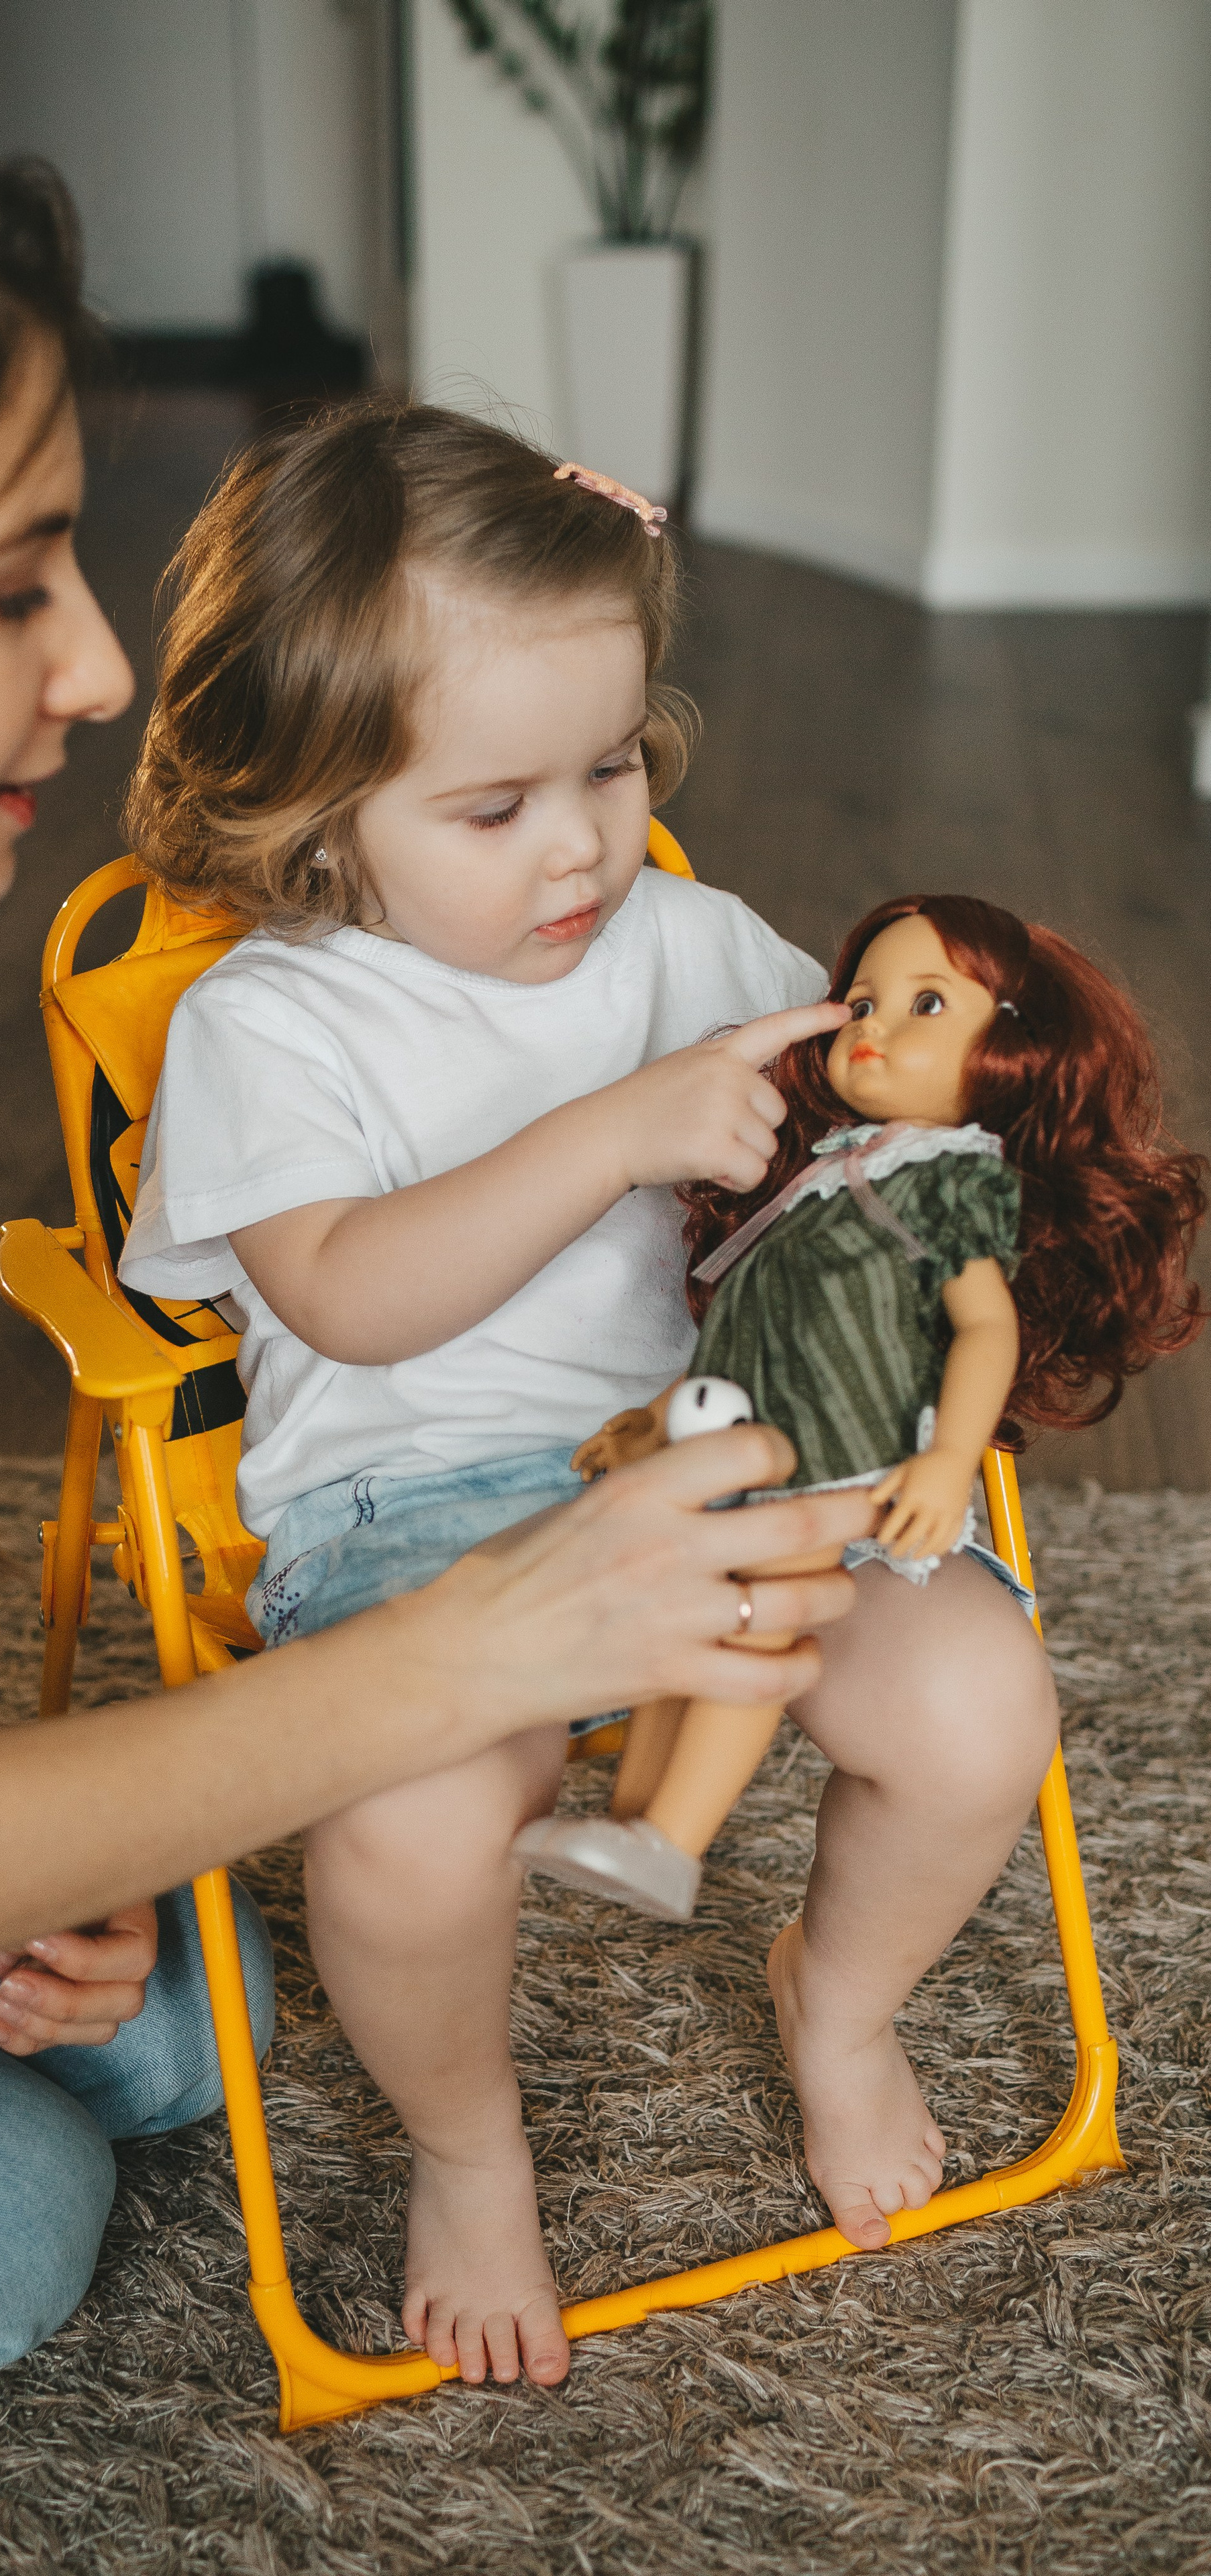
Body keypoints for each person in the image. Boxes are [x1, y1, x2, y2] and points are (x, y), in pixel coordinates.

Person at [0, 98, 865, 2434]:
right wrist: (486, 1644)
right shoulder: (264, 1026)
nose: (103, 669)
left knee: (169, 2014)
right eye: (14, 583)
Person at [119, 404, 1063, 2392]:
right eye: (493, 808)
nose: (580, 845)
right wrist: (615, 1131)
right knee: (402, 1828)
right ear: (315, 812)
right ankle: (470, 2153)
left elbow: (867, 1135)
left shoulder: (690, 940)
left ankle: (838, 2000)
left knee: (978, 1699)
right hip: (414, 1508)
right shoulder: (269, 1021)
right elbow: (350, 1295)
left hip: (740, 1466)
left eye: (612, 765)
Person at [529, 895, 1203, 1916]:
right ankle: (630, 1820)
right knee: (688, 1630)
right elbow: (756, 1333)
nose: (874, 1026)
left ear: (1015, 1050)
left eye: (927, 1004)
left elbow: (985, 1329)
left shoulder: (948, 1180)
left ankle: (671, 1842)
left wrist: (947, 1462)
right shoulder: (830, 1176)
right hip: (743, 1440)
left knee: (751, 1632)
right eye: (861, 1002)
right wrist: (656, 1420)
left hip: (837, 1451)